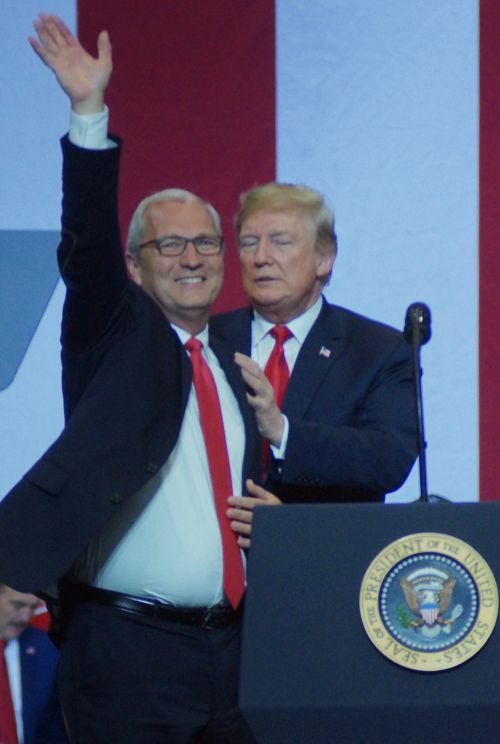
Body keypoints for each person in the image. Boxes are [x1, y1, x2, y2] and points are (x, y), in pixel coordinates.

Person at [0, 14, 278, 743]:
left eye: (207, 243)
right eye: (170, 245)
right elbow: (87, 243)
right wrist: (89, 114)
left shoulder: (234, 364)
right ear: (134, 266)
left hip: (238, 655)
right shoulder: (112, 335)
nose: (193, 258)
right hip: (128, 656)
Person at [210, 182, 418, 503]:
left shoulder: (377, 349)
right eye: (249, 243)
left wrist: (283, 432)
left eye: (280, 242)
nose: (261, 257)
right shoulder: (209, 341)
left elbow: (388, 460)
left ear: (324, 259)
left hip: (321, 546)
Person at [0, 584, 68, 744]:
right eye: (18, 605)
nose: (25, 617)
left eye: (32, 607)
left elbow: (53, 728)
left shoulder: (47, 649)